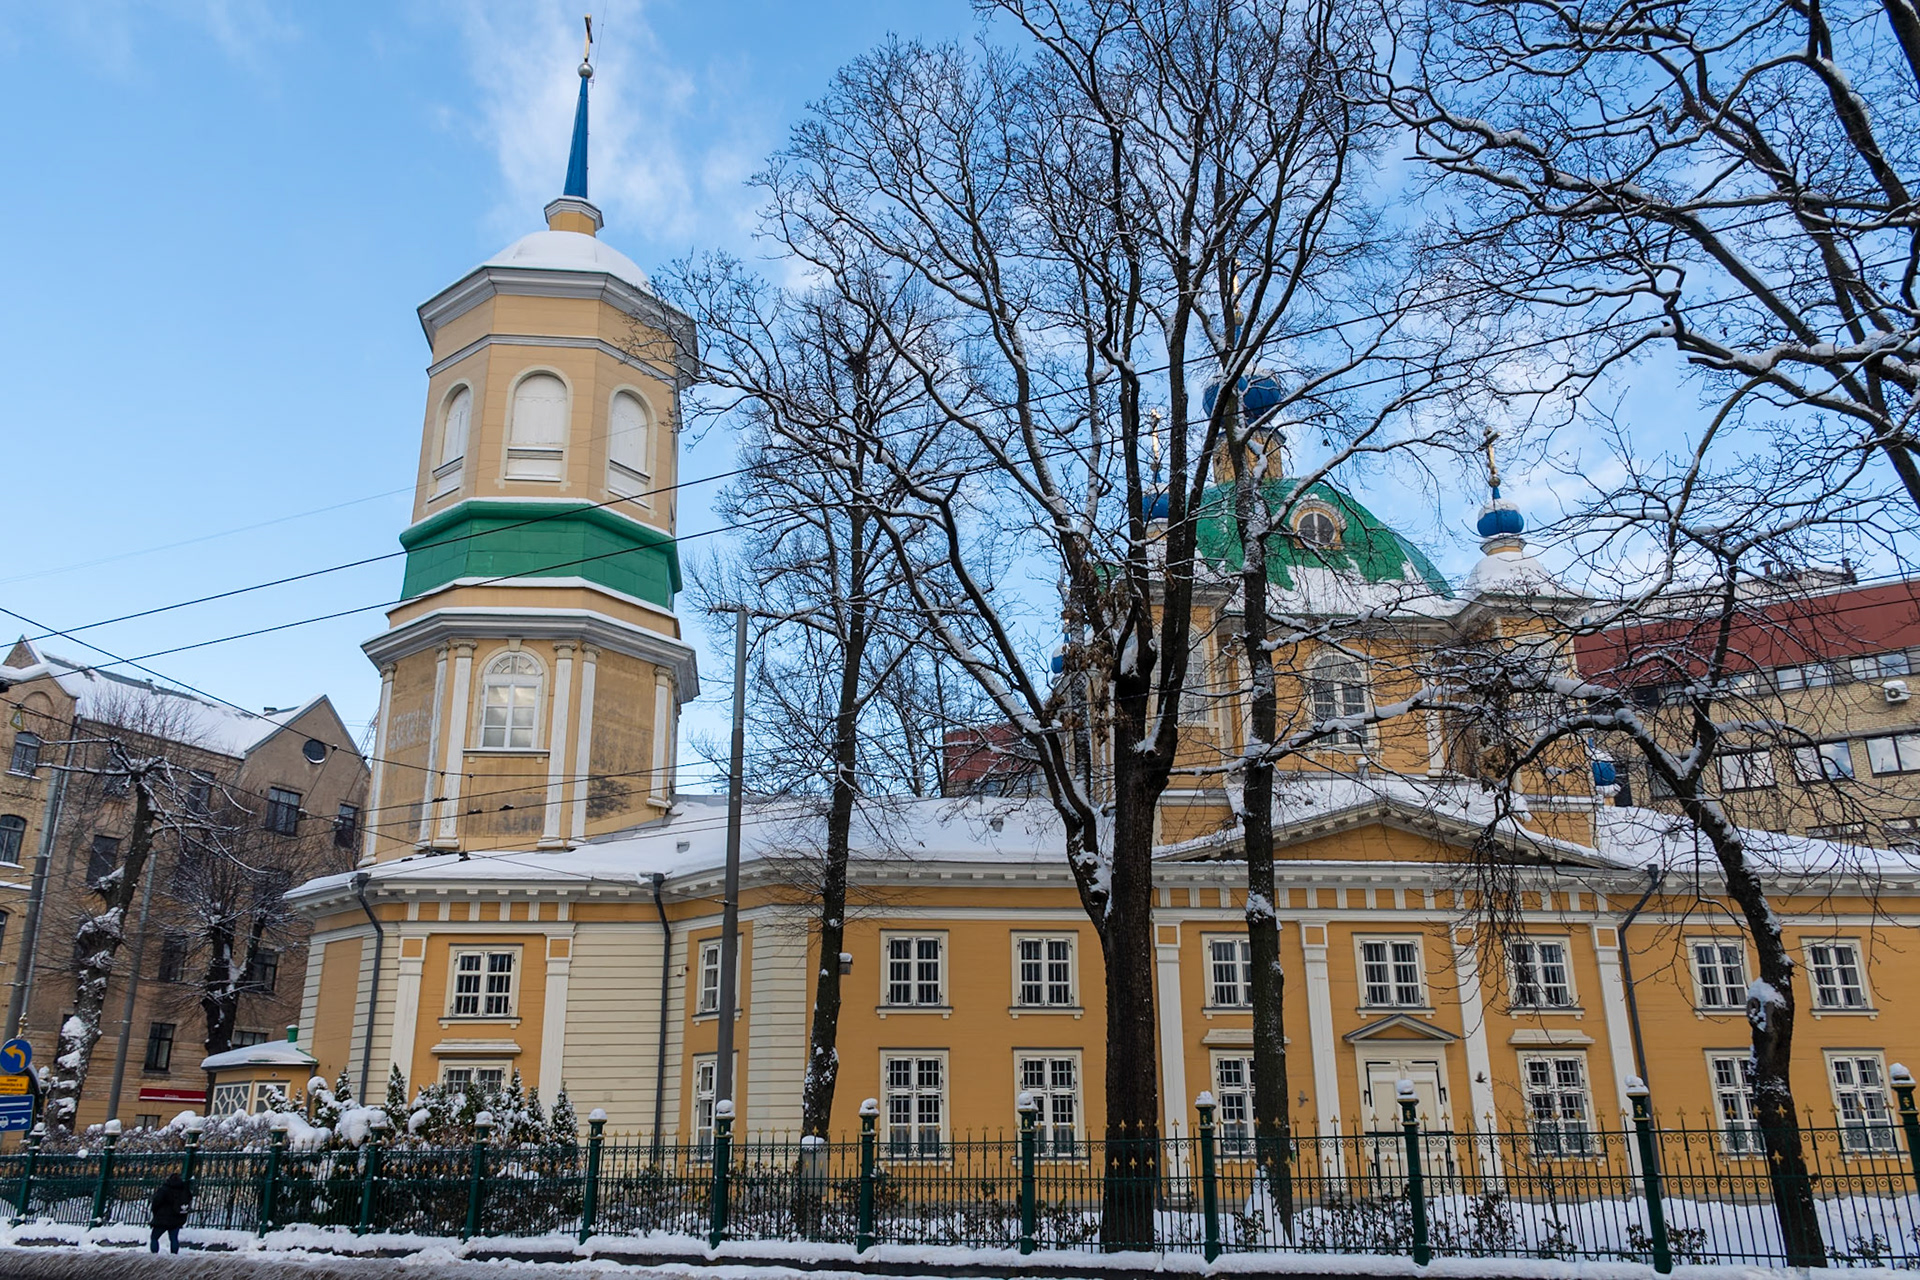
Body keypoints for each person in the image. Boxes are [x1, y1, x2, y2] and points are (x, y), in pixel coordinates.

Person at [149, 1171, 191, 1254]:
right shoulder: (184, 1189)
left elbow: (156, 1202)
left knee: (154, 1237)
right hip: (177, 1218)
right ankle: (174, 1255)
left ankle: (154, 1254)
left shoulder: (164, 1189)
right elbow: (188, 1200)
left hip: (162, 1218)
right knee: (174, 1239)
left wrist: (155, 1212)